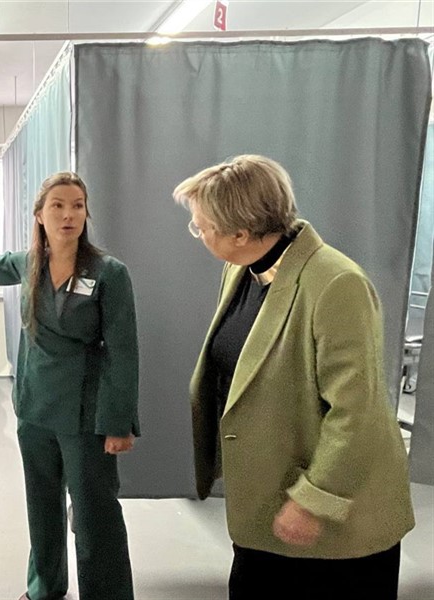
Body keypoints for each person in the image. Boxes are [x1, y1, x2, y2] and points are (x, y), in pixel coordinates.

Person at [174, 155, 415, 599]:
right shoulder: (241, 269)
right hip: (269, 501)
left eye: (201, 226)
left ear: (240, 234)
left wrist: (312, 500)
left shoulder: (336, 284)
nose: (198, 233)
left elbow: (356, 413)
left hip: (334, 516)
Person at [0, 171, 139, 600]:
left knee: (94, 514)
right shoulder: (29, 263)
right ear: (40, 215)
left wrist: (118, 422)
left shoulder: (108, 273)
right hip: (34, 409)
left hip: (84, 415)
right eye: (58, 206)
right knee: (42, 505)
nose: (68, 215)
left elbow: (123, 352)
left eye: (77, 206)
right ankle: (45, 585)